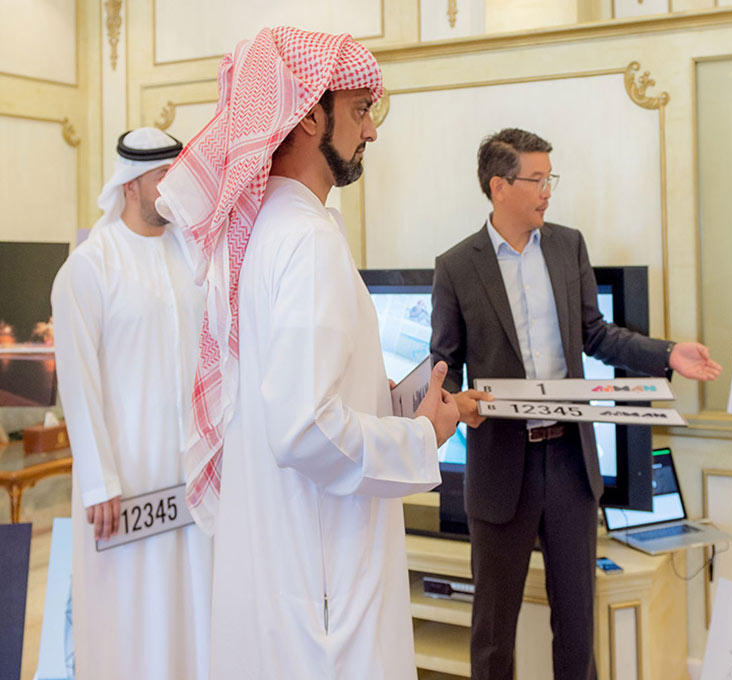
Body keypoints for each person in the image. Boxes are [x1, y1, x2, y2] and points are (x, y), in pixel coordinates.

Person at [156, 27, 458, 678]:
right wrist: (422, 436)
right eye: (358, 111)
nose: (371, 132)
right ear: (306, 114)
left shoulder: (272, 233)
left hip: (294, 566)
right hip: (322, 588)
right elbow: (305, 429)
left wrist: (398, 409)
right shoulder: (304, 240)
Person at [431, 127, 722, 680]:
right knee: (493, 633)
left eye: (549, 179)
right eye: (536, 180)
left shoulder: (568, 246)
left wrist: (667, 354)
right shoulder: (456, 266)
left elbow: (597, 334)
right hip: (499, 468)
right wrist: (454, 406)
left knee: (577, 627)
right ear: (499, 186)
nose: (547, 191)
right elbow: (443, 365)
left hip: (569, 464)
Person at [52, 127, 212, 679]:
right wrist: (100, 481)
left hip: (190, 479)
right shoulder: (89, 268)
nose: (173, 188)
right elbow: (78, 381)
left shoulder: (193, 257)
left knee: (191, 608)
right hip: (124, 486)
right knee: (130, 616)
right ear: (130, 185)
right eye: (162, 178)